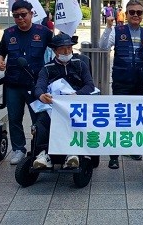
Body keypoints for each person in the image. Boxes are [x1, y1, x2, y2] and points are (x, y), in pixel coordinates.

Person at [0, 0, 54, 164]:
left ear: (31, 14)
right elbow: (0, 53)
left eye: (23, 15)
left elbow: (57, 49)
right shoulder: (8, 33)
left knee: (40, 119)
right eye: (16, 16)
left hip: (36, 85)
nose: (20, 18)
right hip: (13, 84)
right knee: (14, 118)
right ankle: (18, 150)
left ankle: (39, 149)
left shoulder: (43, 32)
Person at [100, 0, 143, 169]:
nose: (136, 15)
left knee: (135, 117)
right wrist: (108, 27)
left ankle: (132, 148)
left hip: (139, 80)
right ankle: (114, 155)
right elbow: (103, 47)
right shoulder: (117, 31)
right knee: (119, 118)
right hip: (121, 81)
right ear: (126, 13)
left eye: (139, 12)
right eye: (132, 12)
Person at [31, 33, 96, 169]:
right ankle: (43, 154)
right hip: (54, 105)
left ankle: (72, 152)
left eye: (69, 48)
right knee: (42, 120)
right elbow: (39, 86)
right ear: (55, 50)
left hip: (77, 103)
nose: (66, 52)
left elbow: (89, 85)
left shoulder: (81, 64)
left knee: (75, 119)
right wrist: (42, 96)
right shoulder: (47, 68)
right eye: (62, 49)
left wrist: (77, 94)